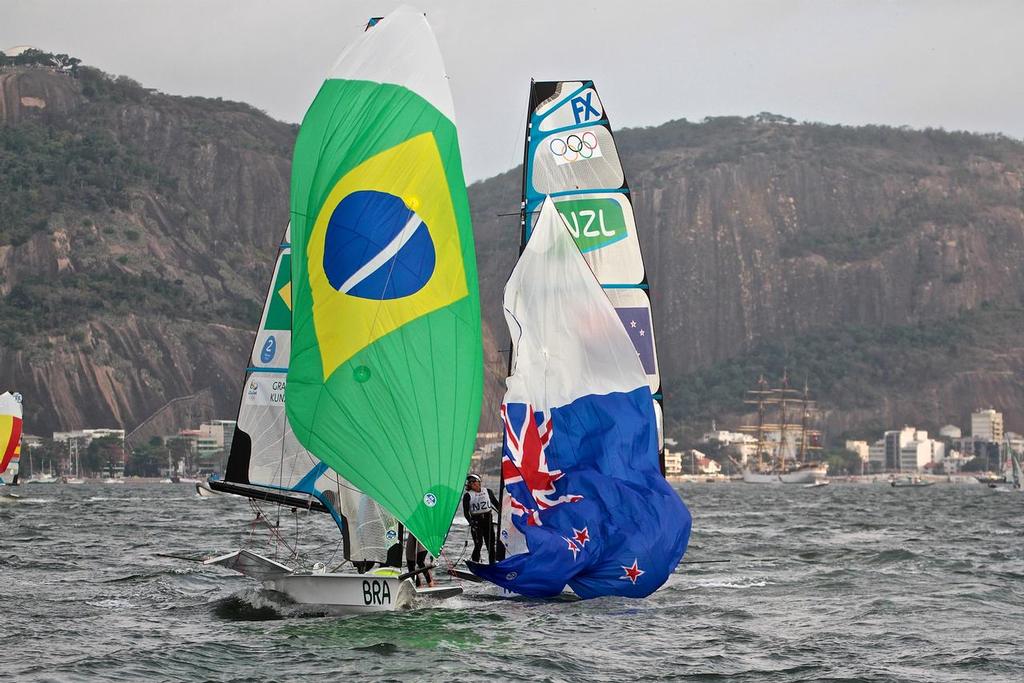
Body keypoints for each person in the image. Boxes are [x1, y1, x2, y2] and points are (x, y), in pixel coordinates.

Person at [462, 473, 499, 563]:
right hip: (476, 522)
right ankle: (475, 563)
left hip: (488, 521)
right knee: (478, 545)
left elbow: (497, 505)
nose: (472, 483)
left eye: (474, 481)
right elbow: (466, 512)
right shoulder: (467, 496)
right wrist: (471, 522)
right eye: (470, 482)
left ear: (479, 482)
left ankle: (492, 565)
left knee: (490, 545)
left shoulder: (488, 491)